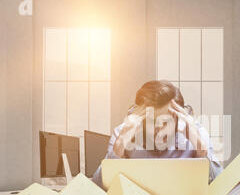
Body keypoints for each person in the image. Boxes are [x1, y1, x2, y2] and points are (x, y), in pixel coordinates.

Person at [92, 80, 222, 187]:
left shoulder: (196, 134)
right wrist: (119, 145)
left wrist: (200, 149)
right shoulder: (123, 133)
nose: (159, 130)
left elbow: (219, 187)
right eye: (152, 121)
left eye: (166, 121)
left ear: (180, 118)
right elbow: (98, 186)